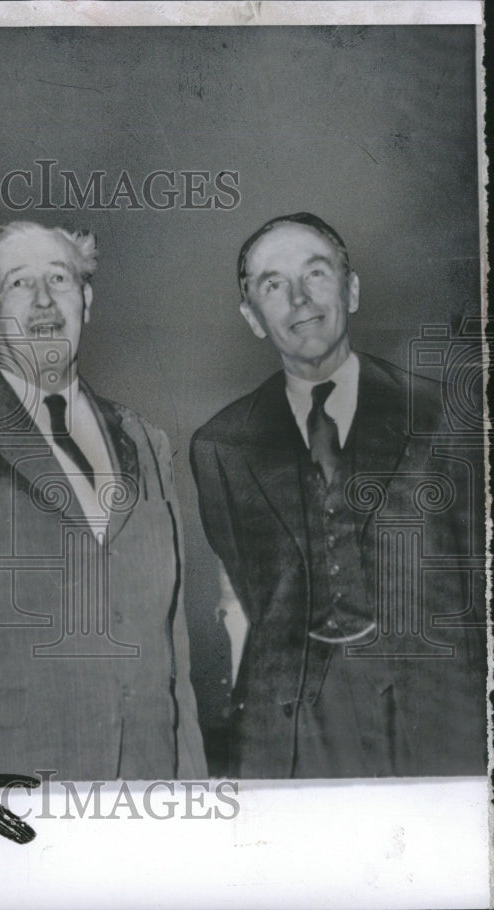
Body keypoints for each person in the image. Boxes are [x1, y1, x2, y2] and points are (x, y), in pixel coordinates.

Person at [0, 221, 207, 780]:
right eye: (18, 283)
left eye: (59, 278)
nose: (42, 300)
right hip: (6, 793)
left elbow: (172, 646)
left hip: (146, 792)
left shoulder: (146, 441)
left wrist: (193, 787)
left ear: (85, 300)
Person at [190, 212, 486, 778]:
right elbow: (249, 597)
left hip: (440, 718)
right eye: (273, 285)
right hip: (298, 731)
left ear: (350, 289)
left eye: (316, 274)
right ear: (253, 317)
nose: (300, 300)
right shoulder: (222, 445)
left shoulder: (447, 415)